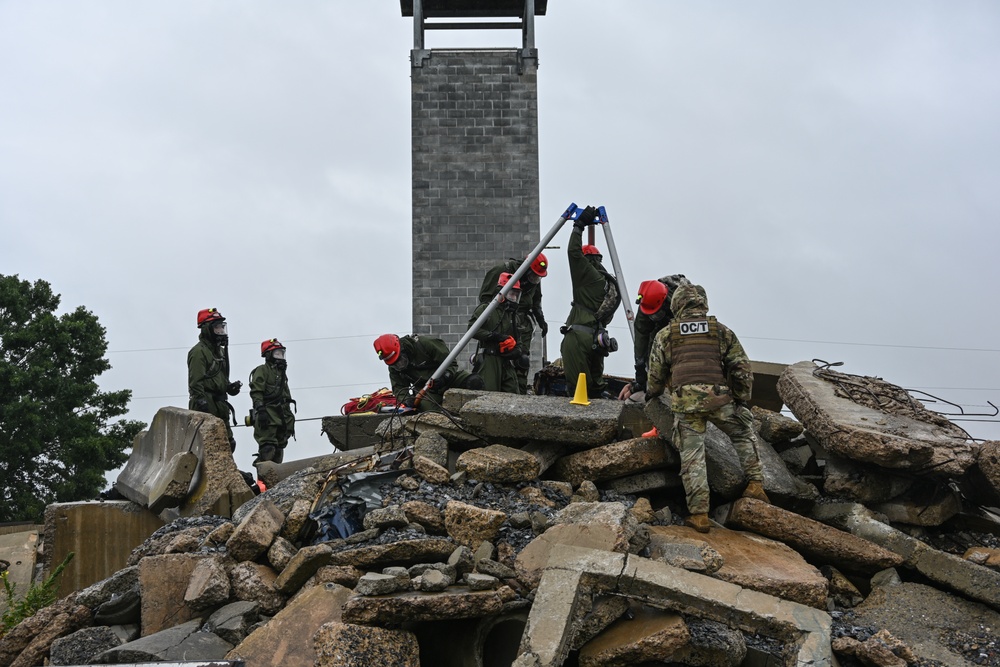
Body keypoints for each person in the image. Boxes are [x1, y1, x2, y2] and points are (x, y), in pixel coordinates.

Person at [645, 283, 769, 533]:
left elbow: (656, 375)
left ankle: (700, 515)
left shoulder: (666, 334)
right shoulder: (721, 332)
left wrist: (653, 394)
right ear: (703, 304)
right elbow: (742, 368)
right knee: (742, 433)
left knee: (692, 457)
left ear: (677, 306)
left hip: (686, 404)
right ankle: (755, 484)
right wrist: (741, 398)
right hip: (719, 398)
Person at [559, 206, 621, 399]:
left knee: (578, 392)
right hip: (598, 338)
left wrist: (579, 226)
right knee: (595, 390)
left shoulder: (585, 275)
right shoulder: (608, 281)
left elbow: (573, 252)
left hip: (578, 338)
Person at [478, 253, 549, 394]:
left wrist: (541, 319)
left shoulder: (534, 281)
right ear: (526, 269)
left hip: (522, 323)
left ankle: (519, 393)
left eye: (538, 277)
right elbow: (485, 298)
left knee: (522, 360)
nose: (535, 280)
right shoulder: (501, 271)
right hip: (502, 320)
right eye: (533, 276)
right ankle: (495, 389)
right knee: (498, 358)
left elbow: (536, 301)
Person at [619, 274, 689, 402]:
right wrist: (640, 374)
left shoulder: (683, 302)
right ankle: (652, 383)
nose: (653, 317)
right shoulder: (647, 303)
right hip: (661, 319)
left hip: (679, 325)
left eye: (655, 315)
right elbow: (641, 338)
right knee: (653, 348)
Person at [374, 333, 484, 411]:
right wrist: (408, 401)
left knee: (474, 381)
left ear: (402, 349)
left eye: (400, 360)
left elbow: (451, 362)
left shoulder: (425, 344)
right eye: (394, 364)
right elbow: (399, 388)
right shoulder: (394, 367)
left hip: (448, 379)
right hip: (426, 392)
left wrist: (445, 376)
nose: (399, 365)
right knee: (427, 410)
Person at [188, 308, 241, 451]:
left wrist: (229, 387)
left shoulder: (220, 351)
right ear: (207, 329)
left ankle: (226, 473)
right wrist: (201, 402)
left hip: (220, 403)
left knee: (228, 444)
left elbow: (221, 377)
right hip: (205, 402)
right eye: (217, 327)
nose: (221, 330)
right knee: (208, 446)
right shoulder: (199, 352)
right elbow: (195, 382)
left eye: (221, 327)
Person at [468, 272, 525, 393]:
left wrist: (517, 351)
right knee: (489, 393)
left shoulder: (514, 316)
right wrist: (496, 337)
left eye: (516, 294)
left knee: (513, 393)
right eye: (511, 293)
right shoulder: (486, 309)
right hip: (490, 359)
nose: (514, 298)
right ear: (502, 292)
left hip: (506, 360)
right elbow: (472, 330)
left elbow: (519, 338)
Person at [249, 338, 296, 464]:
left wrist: (289, 419)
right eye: (277, 354)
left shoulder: (281, 375)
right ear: (268, 355)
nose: (280, 357)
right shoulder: (262, 370)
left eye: (281, 353)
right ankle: (261, 479)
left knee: (279, 451)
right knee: (268, 449)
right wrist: (260, 409)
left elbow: (286, 396)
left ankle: (274, 482)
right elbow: (256, 391)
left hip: (281, 415)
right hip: (268, 413)